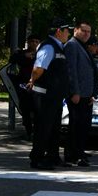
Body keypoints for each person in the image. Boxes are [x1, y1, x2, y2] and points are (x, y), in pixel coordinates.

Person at [27, 19, 72, 170]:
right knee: (43, 128)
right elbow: (38, 69)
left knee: (54, 129)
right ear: (59, 31)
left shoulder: (59, 47)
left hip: (54, 96)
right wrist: (32, 80)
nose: (69, 34)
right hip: (45, 96)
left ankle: (52, 157)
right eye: (67, 31)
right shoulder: (48, 47)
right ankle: (37, 158)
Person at [64, 21, 98, 167]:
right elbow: (71, 70)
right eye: (83, 31)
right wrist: (75, 92)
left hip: (86, 95)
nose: (86, 34)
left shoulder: (82, 47)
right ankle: (72, 156)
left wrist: (91, 93)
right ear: (75, 30)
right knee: (75, 127)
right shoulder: (72, 45)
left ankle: (79, 153)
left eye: (89, 32)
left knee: (83, 127)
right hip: (77, 95)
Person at [8, 34, 41, 139]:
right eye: (32, 41)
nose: (34, 44)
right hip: (24, 86)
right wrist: (24, 56)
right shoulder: (22, 53)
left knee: (37, 110)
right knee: (26, 109)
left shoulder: (42, 53)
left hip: (38, 86)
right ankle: (29, 131)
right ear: (28, 42)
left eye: (37, 41)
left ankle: (37, 131)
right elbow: (12, 59)